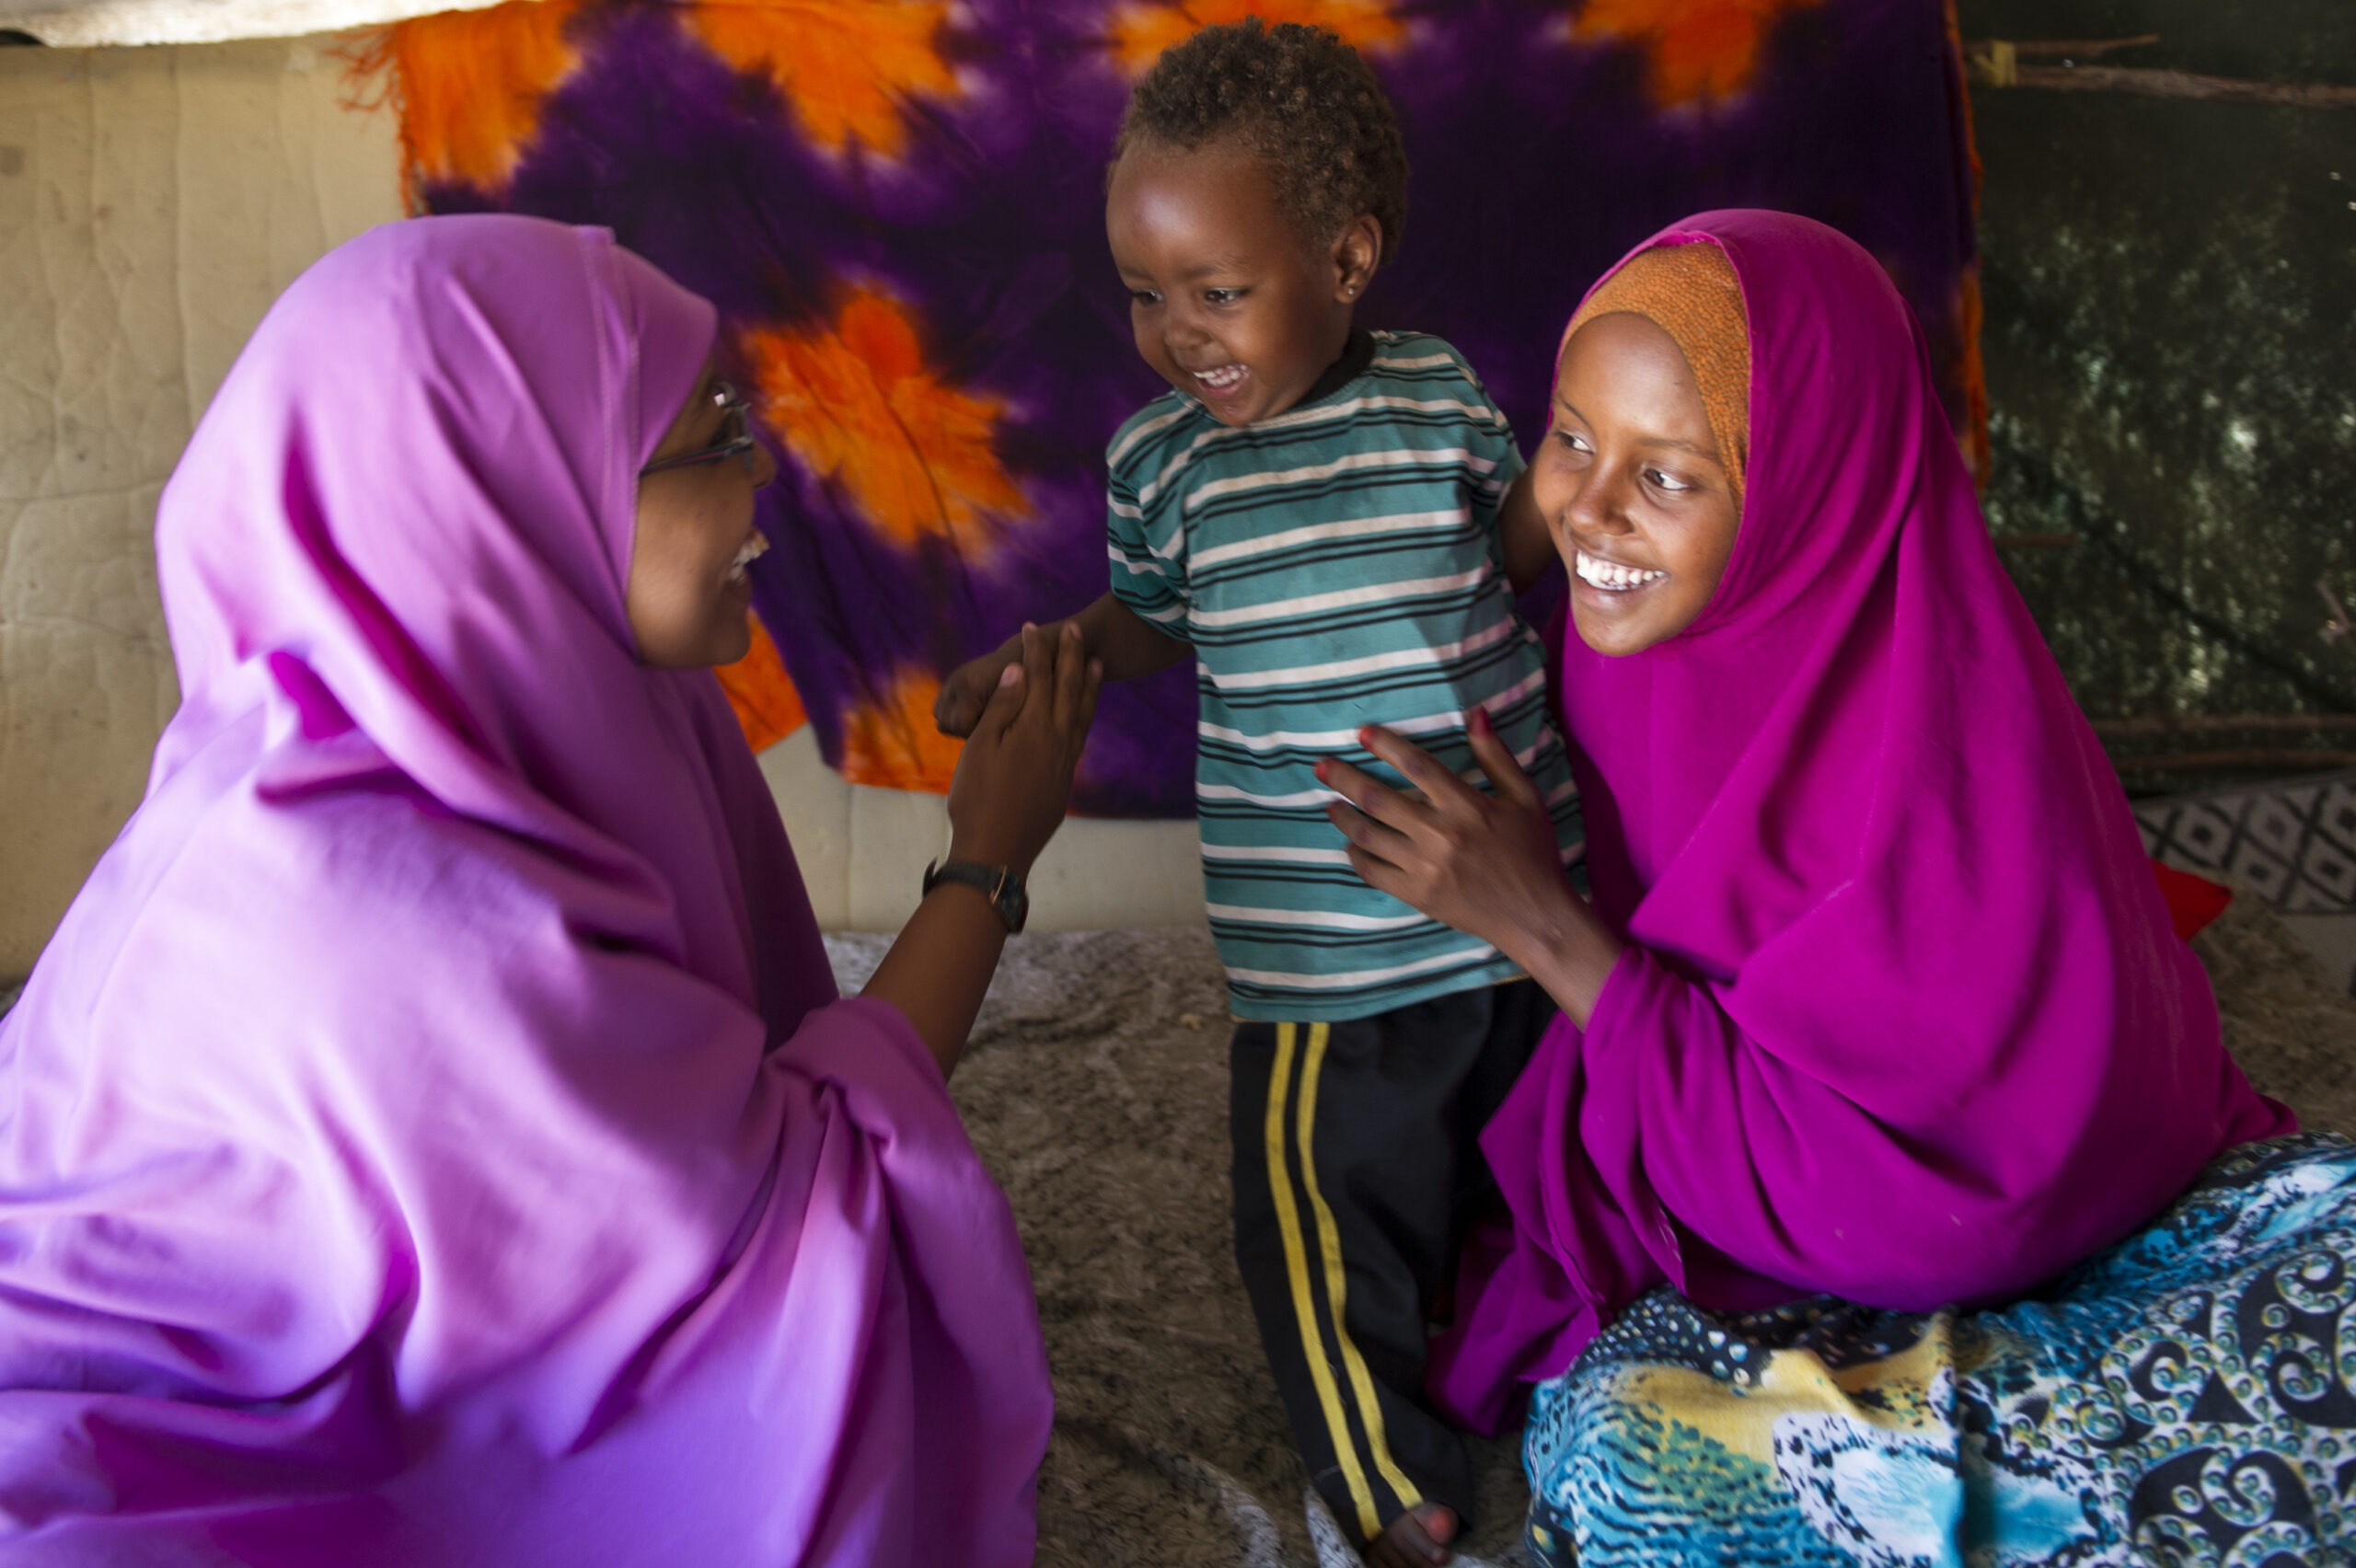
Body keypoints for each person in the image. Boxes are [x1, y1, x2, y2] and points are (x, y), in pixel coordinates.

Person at [0, 213, 1101, 1565]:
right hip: (147, 1417)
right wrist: (987, 860)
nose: (764, 478)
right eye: (710, 441)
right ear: (505, 490)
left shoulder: (525, 700)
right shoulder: (373, 898)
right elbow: (779, 1210)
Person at [1316, 209, 2352, 1566]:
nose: (1590, 514)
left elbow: (1977, 1172)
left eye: (1669, 474)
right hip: (1779, 1234)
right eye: (1572, 437)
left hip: (2034, 1209)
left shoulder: (1942, 730)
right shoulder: (1627, 643)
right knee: (1630, 1461)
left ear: (1812, 486)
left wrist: (1545, 930)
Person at [932, 20, 1578, 1564]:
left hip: (1521, 923)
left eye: (1218, 292)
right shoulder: (1165, 464)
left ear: (1347, 257)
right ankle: (1381, 1476)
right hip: (1322, 960)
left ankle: (1545, 1364)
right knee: (1318, 1229)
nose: (1177, 335)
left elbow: (1502, 559)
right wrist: (1051, 662)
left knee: (1539, 1179)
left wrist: (1593, 499)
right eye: (1146, 295)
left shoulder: (1435, 398)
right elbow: (1156, 611)